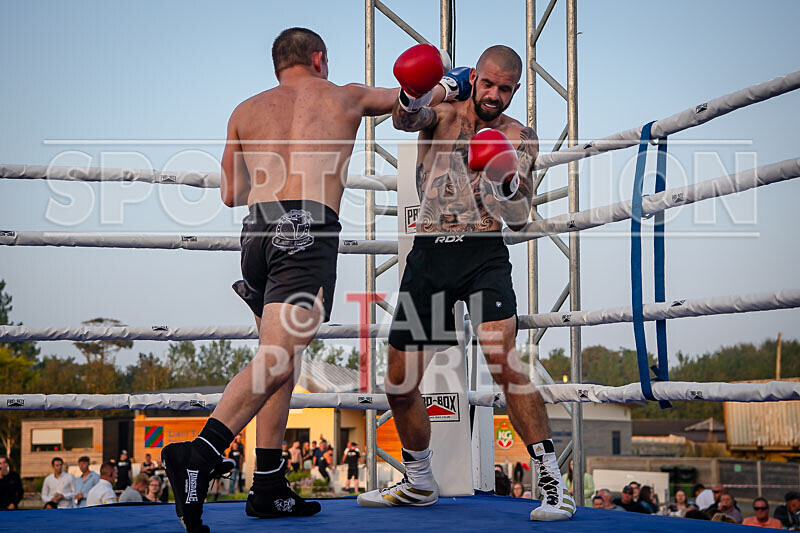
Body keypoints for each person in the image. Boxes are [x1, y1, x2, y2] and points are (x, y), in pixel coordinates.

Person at [159, 26, 398, 531]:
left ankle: (267, 485)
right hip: (306, 232)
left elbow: (231, 193)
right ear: (319, 58)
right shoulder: (345, 95)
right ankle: (199, 454)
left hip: (257, 234)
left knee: (280, 361)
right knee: (275, 360)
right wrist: (450, 84)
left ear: (277, 65)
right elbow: (408, 99)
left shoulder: (245, 110)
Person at [356, 43, 573, 524]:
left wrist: (504, 179)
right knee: (400, 382)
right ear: (473, 77)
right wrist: (414, 92)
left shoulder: (520, 137)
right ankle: (419, 482)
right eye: (488, 84)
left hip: (483, 256)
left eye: (506, 89)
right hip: (430, 256)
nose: (495, 95)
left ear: (517, 90)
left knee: (503, 360)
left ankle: (554, 484)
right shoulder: (443, 111)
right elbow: (404, 121)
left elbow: (519, 218)